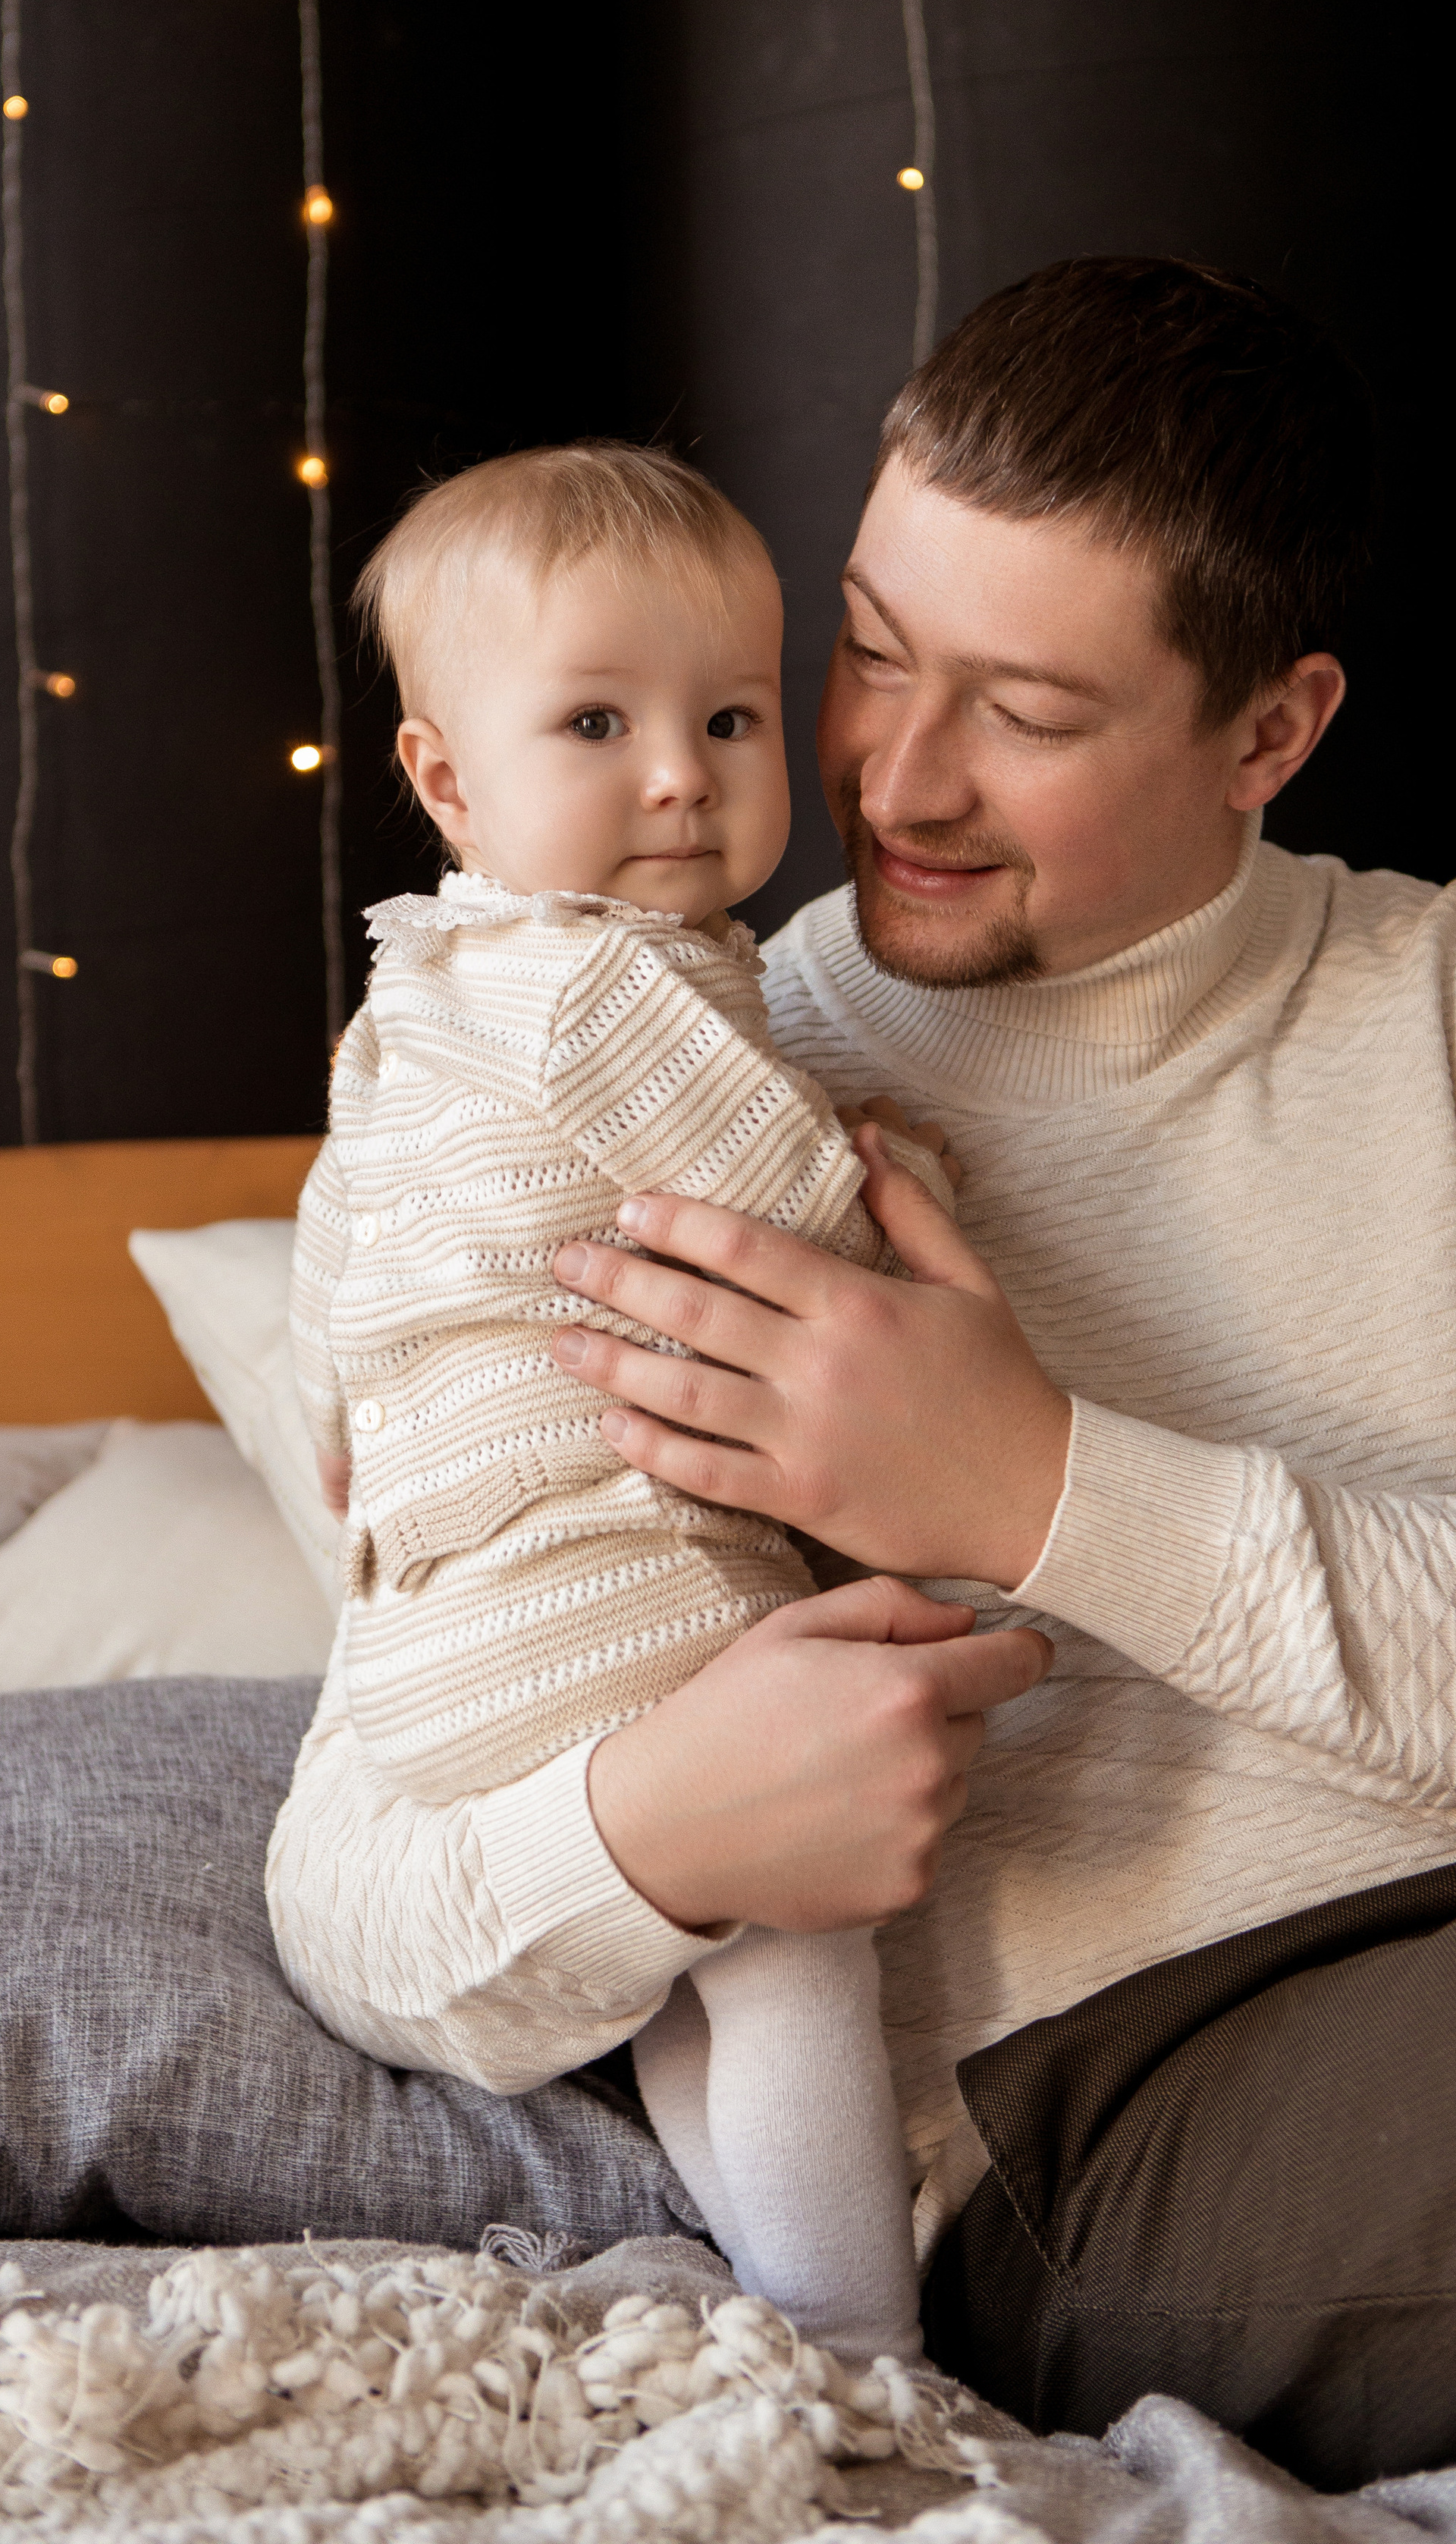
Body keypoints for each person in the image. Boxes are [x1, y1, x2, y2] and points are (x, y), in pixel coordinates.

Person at [268, 258, 1456, 2499]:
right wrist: (651, 1834)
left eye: (1026, 712)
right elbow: (356, 1878)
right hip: (1139, 2080)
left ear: (1269, 733)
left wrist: (1040, 1490)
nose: (892, 779)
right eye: (871, 650)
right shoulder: (630, 1084)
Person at [285, 440, 968, 2366]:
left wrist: (351, 1417)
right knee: (792, 1944)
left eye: (731, 716)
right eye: (598, 720)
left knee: (697, 1974)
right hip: (613, 1592)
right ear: (445, 777)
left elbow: (334, 1253)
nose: (682, 771)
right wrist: (896, 1183)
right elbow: (791, 1225)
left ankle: (764, 2298)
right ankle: (862, 2350)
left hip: (444, 1631)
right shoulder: (609, 988)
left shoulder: (412, 995)